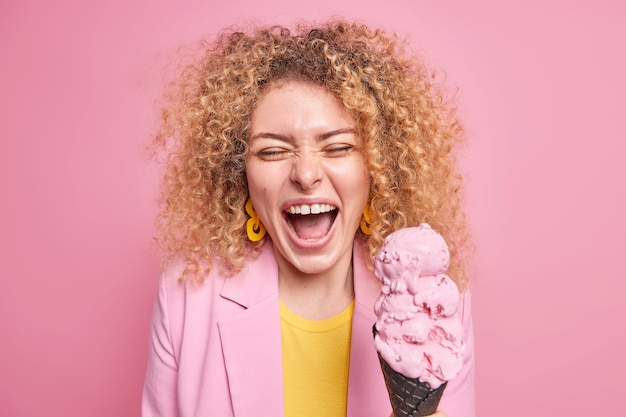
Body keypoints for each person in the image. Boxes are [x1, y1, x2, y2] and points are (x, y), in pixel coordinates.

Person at [142, 18, 475, 417]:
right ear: (240, 174)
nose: (305, 173)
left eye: (337, 147)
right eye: (271, 151)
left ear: (377, 166)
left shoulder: (435, 300)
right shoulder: (185, 296)